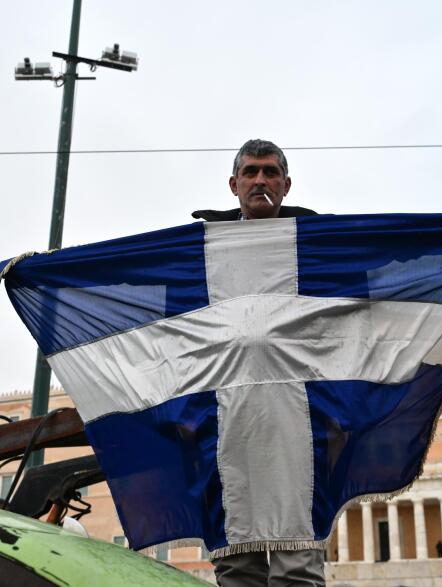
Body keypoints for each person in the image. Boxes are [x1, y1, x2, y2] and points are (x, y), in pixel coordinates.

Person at [191, 138, 323, 587]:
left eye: (270, 172)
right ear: (234, 184)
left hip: (300, 418)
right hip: (224, 420)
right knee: (235, 562)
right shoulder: (200, 249)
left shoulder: (322, 245)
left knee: (297, 561)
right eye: (250, 172)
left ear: (286, 184)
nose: (260, 180)